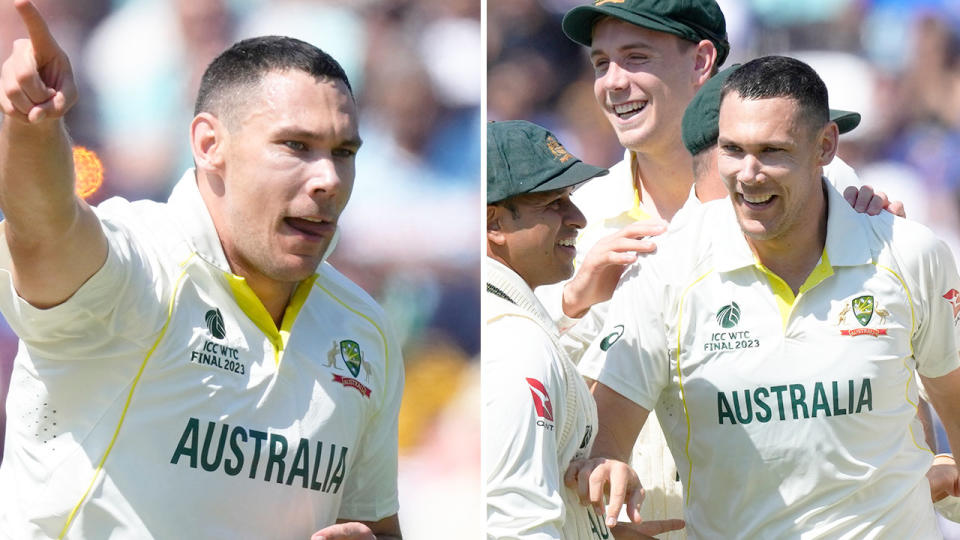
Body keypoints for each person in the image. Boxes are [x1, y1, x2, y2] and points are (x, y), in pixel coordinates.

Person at [0, 2, 403, 538]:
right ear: (210, 145)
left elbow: (372, 524)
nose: (328, 178)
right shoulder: (136, 265)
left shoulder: (364, 330)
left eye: (344, 152)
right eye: (296, 146)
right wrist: (31, 128)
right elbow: (43, 229)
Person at [573, 55, 960, 537]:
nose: (749, 173)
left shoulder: (910, 252)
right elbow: (605, 438)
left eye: (772, 150)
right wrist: (607, 486)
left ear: (825, 146)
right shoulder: (664, 270)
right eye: (733, 150)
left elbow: (953, 397)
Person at [484, 120, 681, 539]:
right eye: (553, 203)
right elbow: (521, 526)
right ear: (494, 224)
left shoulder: (512, 325)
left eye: (570, 199)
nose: (577, 218)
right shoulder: (518, 343)